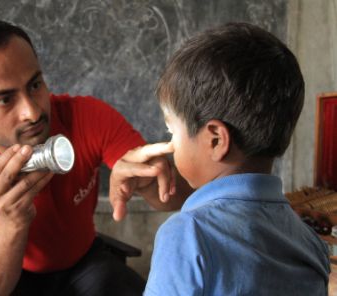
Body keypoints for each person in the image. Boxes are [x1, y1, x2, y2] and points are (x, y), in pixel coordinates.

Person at [0, 19, 185, 296]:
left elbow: (174, 197)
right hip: (8, 272)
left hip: (83, 262)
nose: (32, 112)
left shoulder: (87, 116)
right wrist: (12, 220)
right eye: (5, 100)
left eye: (35, 85)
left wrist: (151, 181)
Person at [110, 22, 330, 295]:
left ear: (215, 140)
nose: (169, 144)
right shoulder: (310, 243)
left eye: (172, 130)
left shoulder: (186, 235)